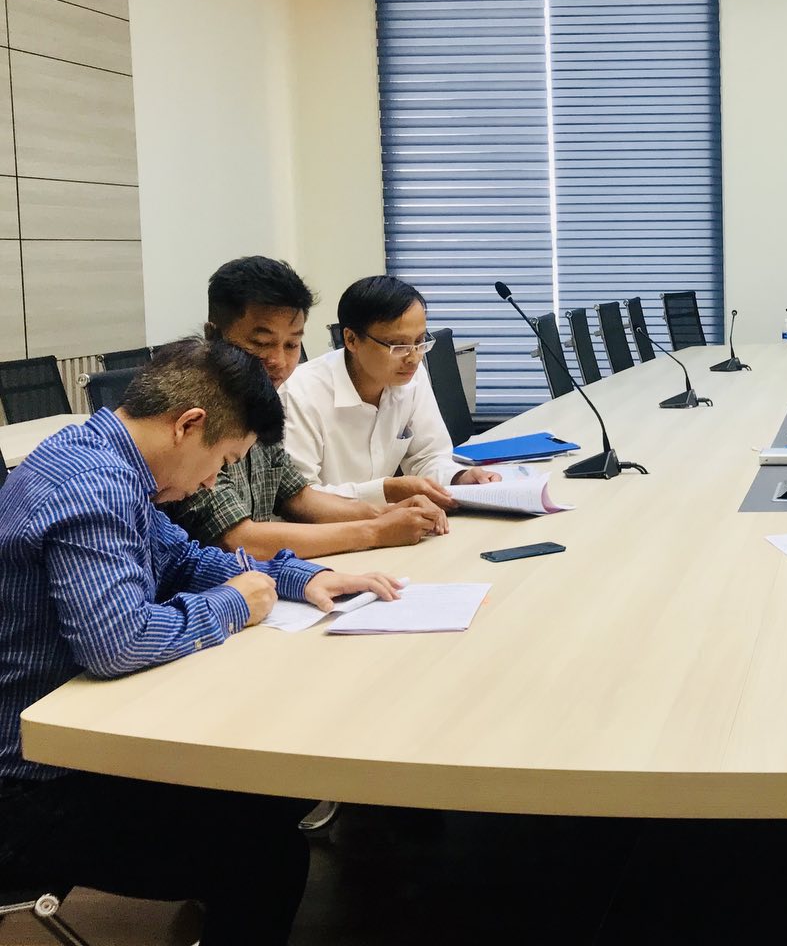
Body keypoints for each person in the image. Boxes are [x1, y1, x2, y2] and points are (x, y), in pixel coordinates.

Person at [0, 339, 399, 946]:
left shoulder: (106, 458)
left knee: (270, 797)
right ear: (188, 425)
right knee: (266, 858)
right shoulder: (94, 484)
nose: (212, 483)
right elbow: (118, 641)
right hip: (29, 787)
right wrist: (236, 603)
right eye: (222, 461)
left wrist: (298, 577)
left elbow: (184, 559)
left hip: (72, 745)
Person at [169, 256, 447, 560]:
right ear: (213, 336)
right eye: (262, 344)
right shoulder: (194, 415)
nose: (279, 361)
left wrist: (386, 512)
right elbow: (237, 539)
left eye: (291, 345)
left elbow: (300, 498)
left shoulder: (261, 403)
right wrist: (375, 531)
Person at [280, 276, 499, 506]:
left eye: (420, 341)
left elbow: (428, 457)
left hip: (385, 520)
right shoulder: (298, 393)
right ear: (351, 339)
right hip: (324, 526)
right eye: (398, 345)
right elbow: (300, 497)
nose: (413, 358)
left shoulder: (412, 377)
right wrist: (385, 491)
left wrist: (459, 478)